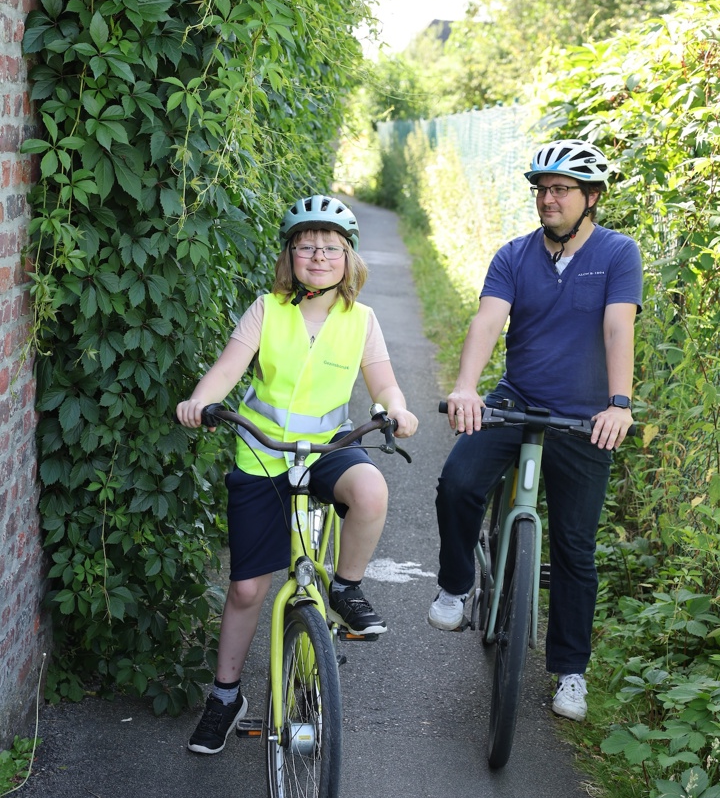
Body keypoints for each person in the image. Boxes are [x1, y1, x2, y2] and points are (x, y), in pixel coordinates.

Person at [177, 194, 418, 754]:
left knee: (371, 490)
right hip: (263, 453)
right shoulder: (267, 309)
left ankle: (347, 588)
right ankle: (225, 697)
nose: (318, 257)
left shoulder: (362, 320)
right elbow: (228, 369)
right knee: (247, 588)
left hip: (327, 449)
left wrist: (396, 409)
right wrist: (201, 401)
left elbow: (384, 382)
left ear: (348, 258)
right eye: (306, 247)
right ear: (290, 256)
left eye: (330, 248)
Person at [428, 139, 643, 722]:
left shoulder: (618, 253)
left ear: (591, 197)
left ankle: (571, 673)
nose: (548, 199)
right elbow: (487, 321)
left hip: (585, 416)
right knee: (458, 482)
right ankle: (456, 585)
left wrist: (619, 404)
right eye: (542, 189)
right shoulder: (514, 255)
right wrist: (467, 387)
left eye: (561, 190)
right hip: (516, 400)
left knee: (575, 547)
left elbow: (618, 328)